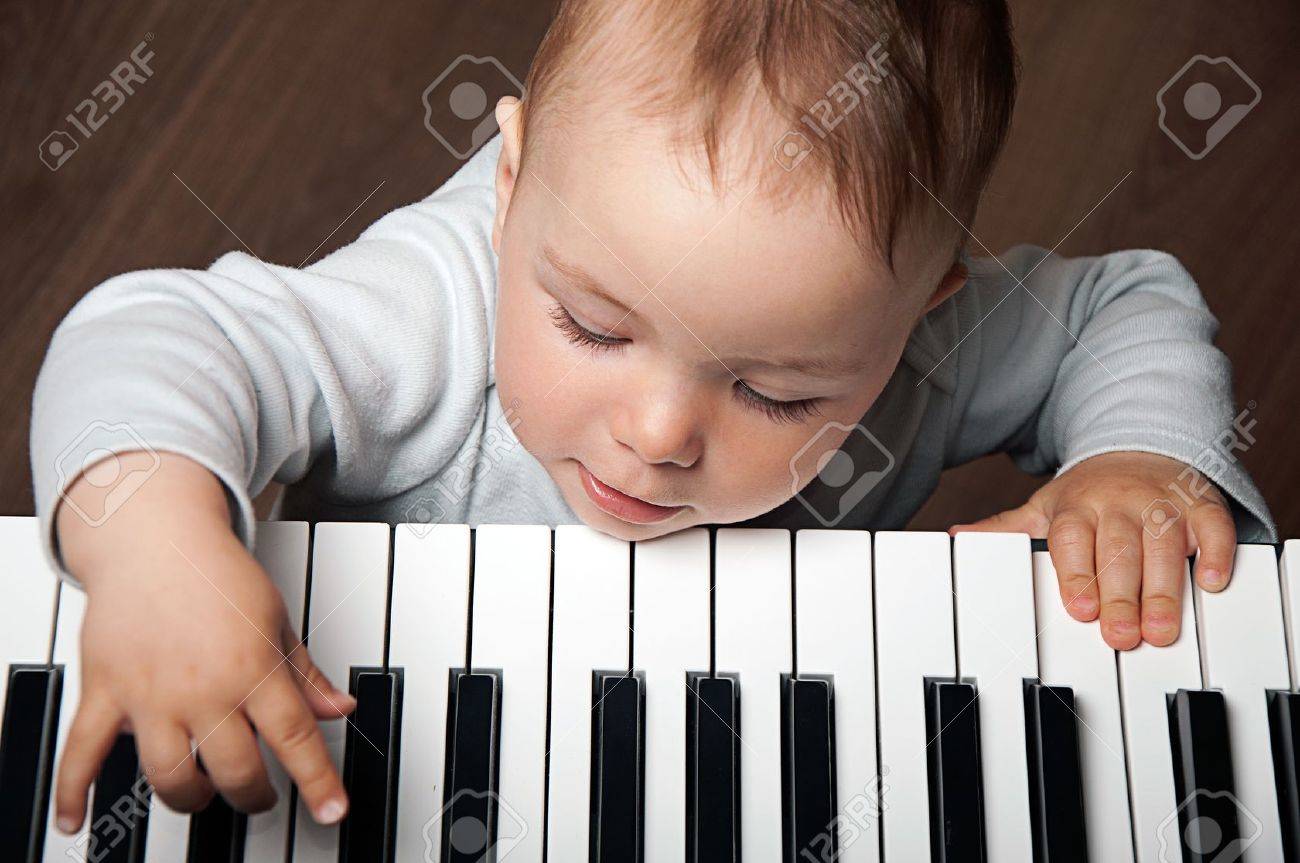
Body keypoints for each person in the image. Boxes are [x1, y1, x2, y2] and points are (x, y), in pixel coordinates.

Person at [32, 0, 1273, 834]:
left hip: (764, 754)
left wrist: (1137, 459)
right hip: (389, 745)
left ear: (918, 315)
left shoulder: (913, 342)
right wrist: (156, 544)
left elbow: (1128, 303)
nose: (661, 431)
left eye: (778, 391)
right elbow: (152, 334)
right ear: (513, 187)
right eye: (591, 327)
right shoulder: (440, 308)